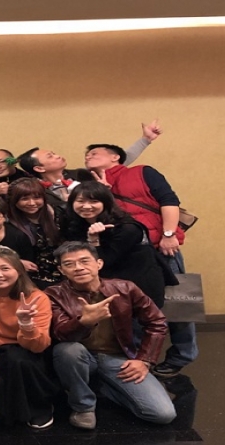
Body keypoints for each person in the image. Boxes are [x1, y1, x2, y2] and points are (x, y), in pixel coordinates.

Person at [83, 141, 195, 378]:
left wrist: (168, 235)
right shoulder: (90, 185)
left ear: (115, 157)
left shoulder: (142, 172)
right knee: (131, 307)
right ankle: (138, 358)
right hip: (126, 255)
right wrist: (103, 192)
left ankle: (183, 355)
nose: (88, 157)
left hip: (161, 247)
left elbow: (169, 201)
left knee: (179, 304)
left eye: (94, 153)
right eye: (86, 155)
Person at [47, 242, 176, 429]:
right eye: (69, 264)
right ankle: (83, 406)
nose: (78, 267)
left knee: (162, 414)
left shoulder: (125, 288)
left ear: (99, 264)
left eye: (84, 261)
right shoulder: (53, 294)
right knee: (67, 351)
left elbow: (156, 322)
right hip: (80, 357)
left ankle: (103, 387)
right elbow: (60, 333)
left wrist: (144, 360)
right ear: (61, 270)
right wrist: (84, 322)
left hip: (116, 357)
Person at [0, 248, 58, 428]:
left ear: (19, 271)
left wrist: (26, 324)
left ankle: (39, 408)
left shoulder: (36, 297)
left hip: (24, 349)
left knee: (19, 361)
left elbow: (39, 346)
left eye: (5, 268)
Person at [65, 182, 170, 306]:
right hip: (102, 288)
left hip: (137, 290)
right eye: (80, 201)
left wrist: (94, 239)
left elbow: (105, 261)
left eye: (94, 201)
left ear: (106, 203)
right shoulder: (74, 225)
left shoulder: (127, 228)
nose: (86, 206)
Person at [16, 120, 162, 205]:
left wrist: (145, 140)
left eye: (54, 153)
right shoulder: (34, 191)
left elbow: (116, 161)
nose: (58, 156)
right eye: (50, 156)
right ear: (39, 168)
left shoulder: (82, 175)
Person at [7, 178, 66, 289]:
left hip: (66, 271)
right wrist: (16, 262)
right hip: (33, 278)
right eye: (24, 199)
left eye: (37, 198)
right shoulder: (8, 224)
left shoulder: (58, 214)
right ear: (13, 201)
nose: (31, 203)